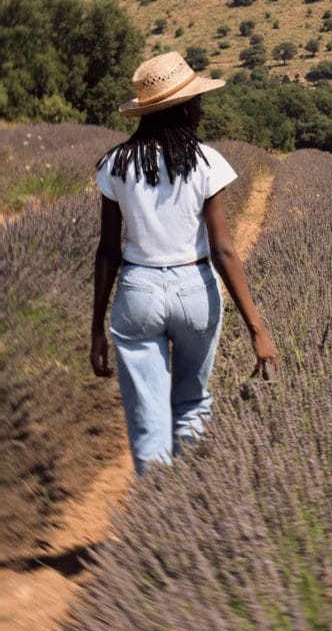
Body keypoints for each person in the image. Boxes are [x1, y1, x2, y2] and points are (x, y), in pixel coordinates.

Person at [91, 51, 278, 474]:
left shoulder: (115, 164)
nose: (201, 107)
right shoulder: (205, 162)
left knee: (148, 416)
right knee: (192, 404)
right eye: (197, 101)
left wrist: (96, 330)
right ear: (186, 107)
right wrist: (257, 329)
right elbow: (224, 250)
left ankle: (157, 514)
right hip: (195, 289)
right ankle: (188, 505)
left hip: (137, 291)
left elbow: (107, 251)